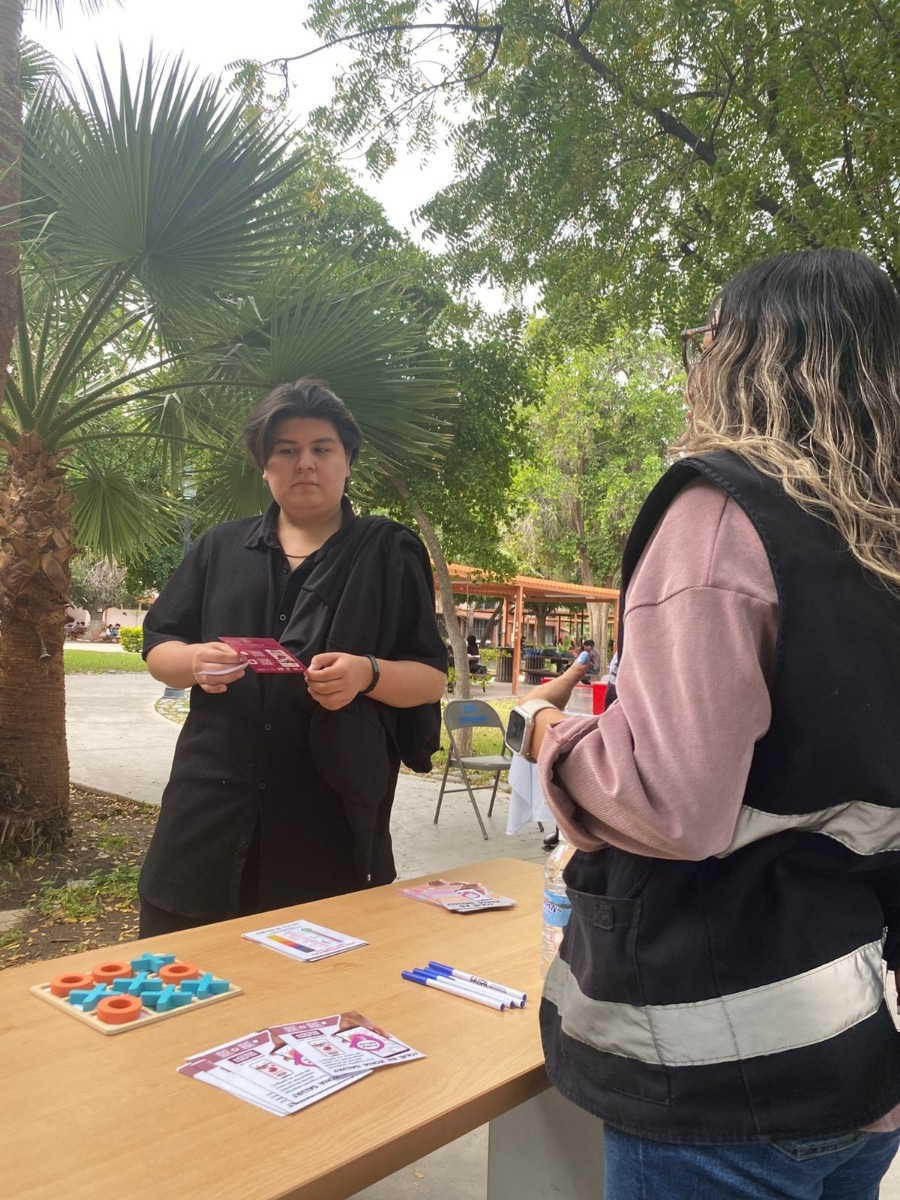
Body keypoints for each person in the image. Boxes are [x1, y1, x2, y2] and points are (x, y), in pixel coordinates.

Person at [519, 250, 900, 1198]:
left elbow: (673, 801)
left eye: (706, 340)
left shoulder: (725, 512)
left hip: (720, 1065)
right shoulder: (878, 535)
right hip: (860, 1040)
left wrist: (546, 736)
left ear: (742, 355)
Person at [138, 379, 448, 936]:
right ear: (265, 467)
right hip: (206, 816)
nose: (304, 463)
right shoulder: (219, 548)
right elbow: (159, 644)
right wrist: (194, 663)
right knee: (180, 977)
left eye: (321, 449)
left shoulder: (387, 554)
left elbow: (430, 679)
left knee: (314, 982)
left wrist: (366, 674)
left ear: (347, 460)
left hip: (326, 824)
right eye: (286, 450)